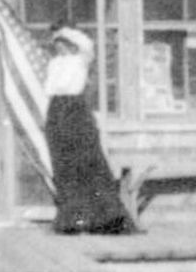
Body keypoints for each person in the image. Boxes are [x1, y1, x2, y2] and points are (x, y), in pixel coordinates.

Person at [44, 25, 136, 235]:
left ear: (70, 43)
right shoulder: (54, 64)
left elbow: (88, 45)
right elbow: (50, 91)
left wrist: (64, 32)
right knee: (64, 167)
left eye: (63, 43)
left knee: (87, 164)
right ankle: (71, 220)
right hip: (56, 111)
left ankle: (103, 219)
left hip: (75, 111)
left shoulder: (81, 60)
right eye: (56, 44)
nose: (59, 47)